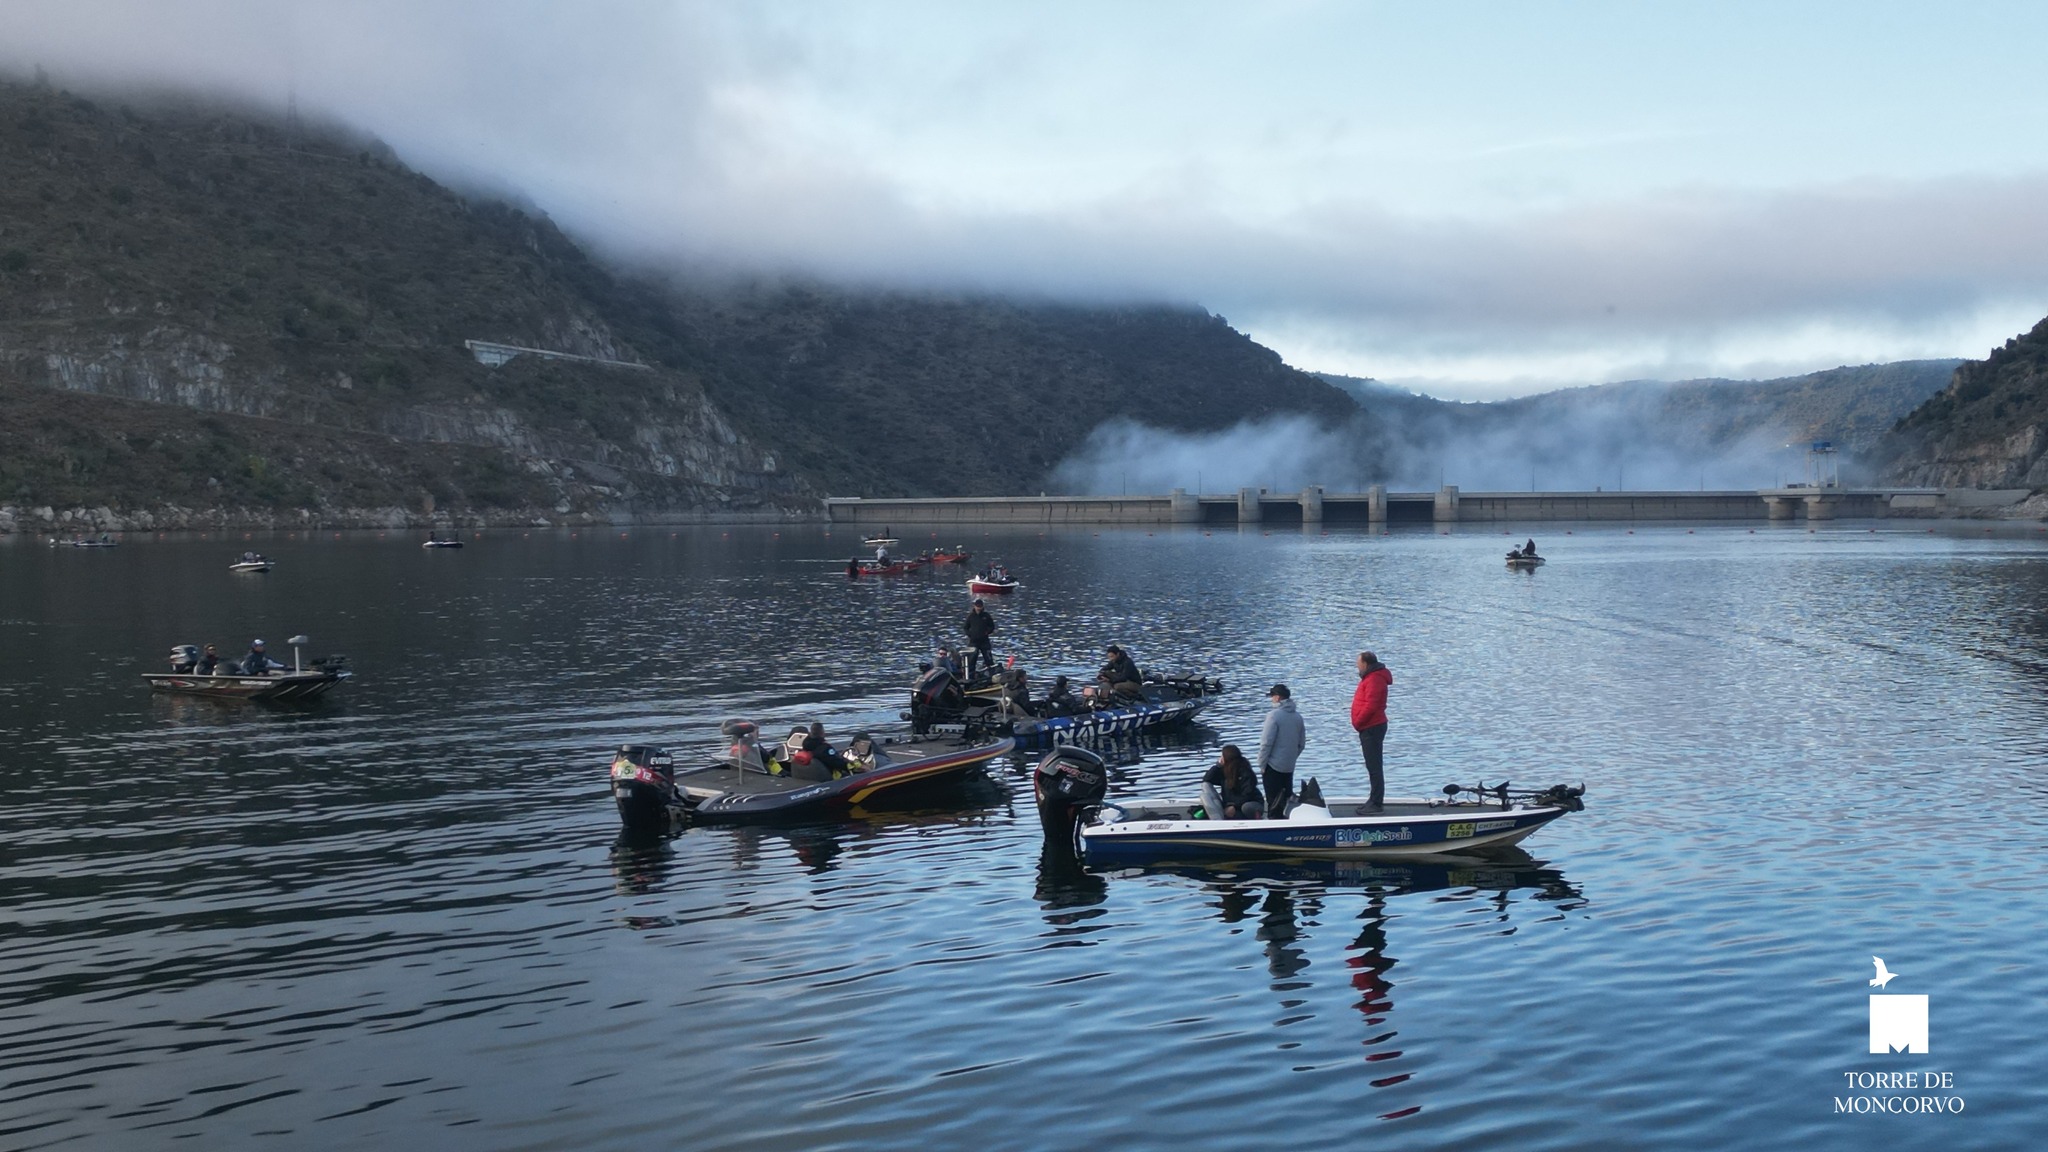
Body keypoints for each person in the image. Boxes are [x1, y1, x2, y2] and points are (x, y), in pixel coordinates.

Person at [1351, 651, 1393, 809]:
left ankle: (1376, 802)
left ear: (1365, 664)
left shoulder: (1374, 679)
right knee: (1372, 765)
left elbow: (1371, 705)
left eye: (1359, 663)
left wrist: (1358, 722)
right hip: (1369, 726)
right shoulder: (1371, 678)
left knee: (1374, 766)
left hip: (1371, 726)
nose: (1357, 666)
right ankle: (1373, 799)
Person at [1258, 683, 1307, 819]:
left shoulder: (1273, 716)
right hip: (1289, 766)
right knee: (1285, 799)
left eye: (1272, 696)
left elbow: (1266, 743)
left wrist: (1262, 764)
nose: (1271, 699)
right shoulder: (1298, 717)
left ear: (1278, 698)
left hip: (1272, 766)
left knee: (1273, 802)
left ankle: (1273, 823)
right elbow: (1301, 744)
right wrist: (1291, 757)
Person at [1201, 745, 1264, 820]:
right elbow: (1207, 779)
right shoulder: (1224, 772)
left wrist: (1234, 806)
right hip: (1232, 805)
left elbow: (1248, 795)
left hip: (1250, 803)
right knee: (1206, 785)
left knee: (1246, 807)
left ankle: (1256, 818)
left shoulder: (1246, 773)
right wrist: (1218, 766)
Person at [963, 598, 997, 680]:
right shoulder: (971, 616)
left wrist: (987, 632)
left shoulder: (986, 616)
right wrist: (970, 635)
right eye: (977, 606)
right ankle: (970, 677)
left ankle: (991, 676)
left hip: (984, 641)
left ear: (982, 607)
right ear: (974, 606)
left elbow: (992, 626)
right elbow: (965, 627)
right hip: (973, 642)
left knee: (988, 659)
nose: (978, 608)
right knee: (972, 660)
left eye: (980, 606)